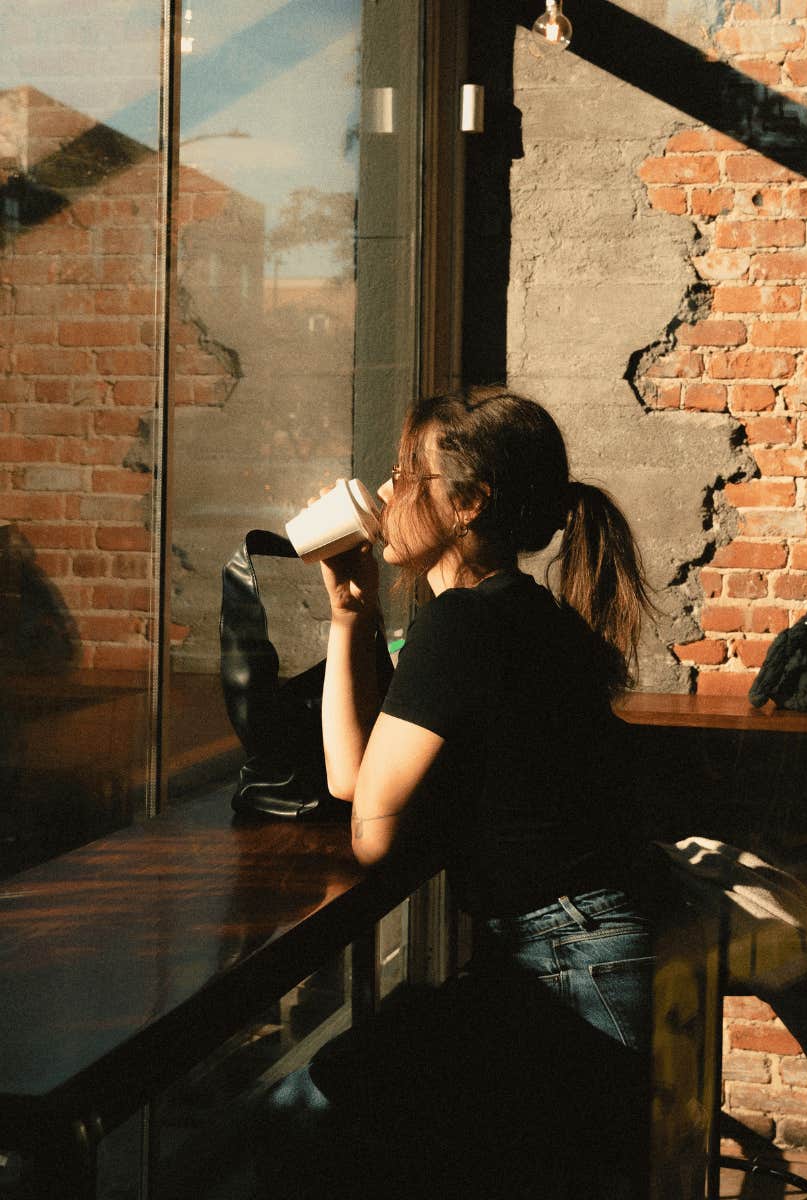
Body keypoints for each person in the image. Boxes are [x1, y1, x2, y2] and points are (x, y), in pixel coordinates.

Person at [252, 387, 657, 1199]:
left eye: (407, 474)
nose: (389, 492)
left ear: (467, 503)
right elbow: (354, 780)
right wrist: (347, 619)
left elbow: (369, 830)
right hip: (588, 960)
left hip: (564, 975)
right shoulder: (518, 614)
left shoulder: (462, 625)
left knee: (296, 1113)